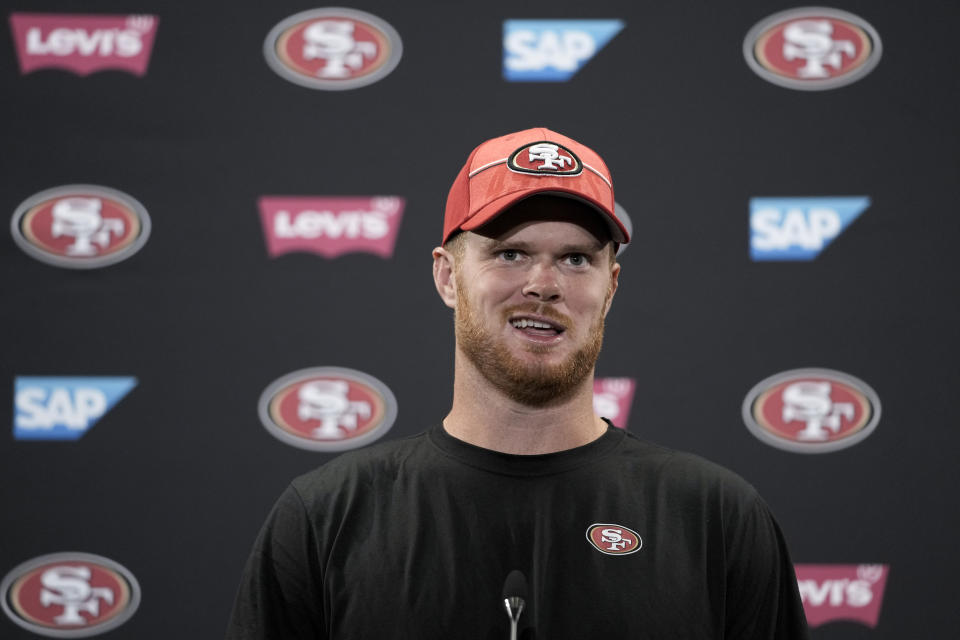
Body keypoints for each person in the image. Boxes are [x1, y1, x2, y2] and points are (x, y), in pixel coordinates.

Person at [226, 127, 809, 639]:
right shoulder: (327, 517)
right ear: (447, 277)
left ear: (610, 287)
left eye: (577, 259)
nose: (543, 284)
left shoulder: (714, 517)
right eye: (509, 253)